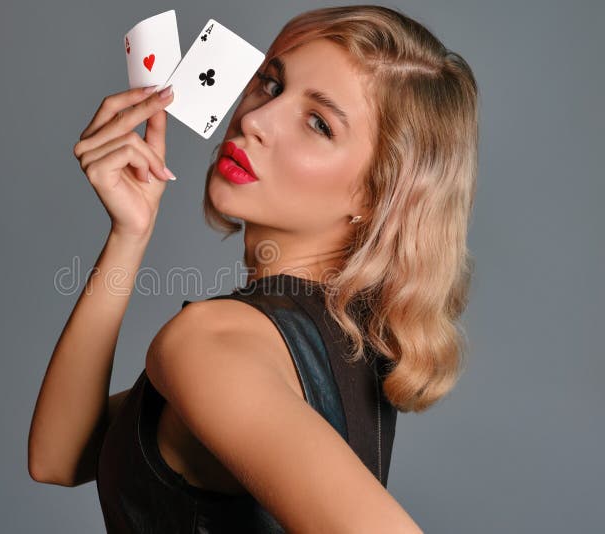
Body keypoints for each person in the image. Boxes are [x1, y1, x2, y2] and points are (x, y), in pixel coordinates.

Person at [28, 5, 477, 532]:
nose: (255, 120)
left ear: (376, 196)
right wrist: (130, 234)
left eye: (319, 124)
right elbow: (61, 456)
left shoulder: (212, 342)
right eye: (270, 84)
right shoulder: (347, 339)